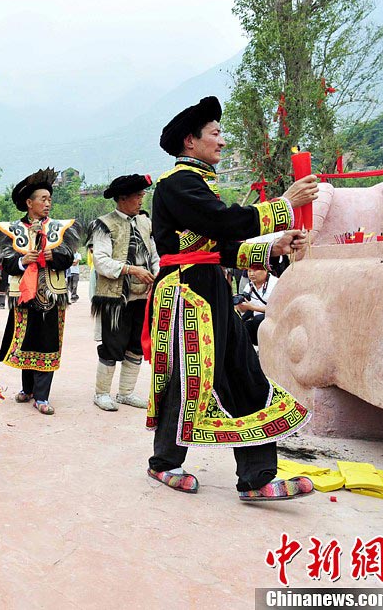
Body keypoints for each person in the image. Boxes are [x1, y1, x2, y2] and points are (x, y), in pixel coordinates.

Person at [146, 95, 318, 501]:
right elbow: (221, 223)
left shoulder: (200, 184)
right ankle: (165, 463)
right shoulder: (177, 184)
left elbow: (220, 249)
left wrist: (272, 248)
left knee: (245, 371)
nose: (222, 141)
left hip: (212, 286)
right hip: (186, 292)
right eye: (216, 133)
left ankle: (257, 478)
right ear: (191, 141)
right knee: (189, 380)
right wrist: (284, 205)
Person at [0, 168, 80, 416]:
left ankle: (42, 396)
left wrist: (54, 256)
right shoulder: (11, 230)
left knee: (48, 344)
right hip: (24, 296)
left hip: (52, 294)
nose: (48, 204)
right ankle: (27, 388)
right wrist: (22, 261)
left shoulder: (60, 228)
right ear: (29, 203)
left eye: (50, 199)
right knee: (26, 341)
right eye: (43, 199)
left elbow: (69, 257)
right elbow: (5, 263)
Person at [89, 174, 160, 412]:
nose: (141, 200)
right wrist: (131, 270)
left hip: (142, 296)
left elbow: (154, 255)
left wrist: (157, 276)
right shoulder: (103, 224)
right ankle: (101, 393)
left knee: (136, 345)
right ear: (122, 198)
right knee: (112, 345)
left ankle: (126, 393)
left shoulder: (145, 223)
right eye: (137, 196)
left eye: (142, 195)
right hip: (114, 297)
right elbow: (101, 261)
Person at [235, 268, 278, 346]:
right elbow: (244, 311)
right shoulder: (249, 286)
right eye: (249, 271)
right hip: (256, 322)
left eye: (255, 270)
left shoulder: (276, 283)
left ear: (265, 270)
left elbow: (278, 309)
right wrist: (239, 305)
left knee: (258, 320)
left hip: (274, 321)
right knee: (240, 326)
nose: (251, 274)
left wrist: (253, 308)